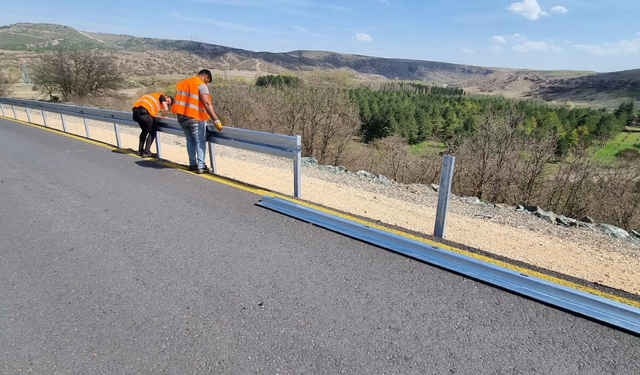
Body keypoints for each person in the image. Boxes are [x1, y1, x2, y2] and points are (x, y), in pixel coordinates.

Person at [171, 69, 223, 174]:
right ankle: (201, 166)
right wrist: (216, 119)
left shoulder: (183, 83)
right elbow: (207, 103)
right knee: (200, 141)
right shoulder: (201, 85)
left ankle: (192, 164)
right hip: (195, 117)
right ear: (206, 78)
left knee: (190, 140)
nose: (206, 84)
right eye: (207, 82)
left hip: (181, 117)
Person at [132, 92, 173, 157]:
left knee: (144, 130)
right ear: (166, 97)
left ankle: (140, 150)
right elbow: (166, 109)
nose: (167, 103)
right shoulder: (162, 96)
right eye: (168, 101)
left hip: (136, 112)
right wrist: (163, 117)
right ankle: (146, 151)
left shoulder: (153, 96)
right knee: (152, 131)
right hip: (144, 112)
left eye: (168, 104)